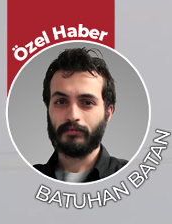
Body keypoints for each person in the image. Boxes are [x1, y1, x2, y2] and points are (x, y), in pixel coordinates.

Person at [33, 47, 127, 183]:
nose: (72, 115)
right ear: (48, 108)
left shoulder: (133, 177)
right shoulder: (23, 181)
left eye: (87, 102)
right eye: (61, 101)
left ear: (108, 113)